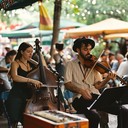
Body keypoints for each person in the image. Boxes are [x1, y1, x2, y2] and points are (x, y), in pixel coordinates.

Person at [64, 37, 128, 128]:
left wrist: (107, 79)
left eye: (90, 49)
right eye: (85, 49)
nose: (89, 52)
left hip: (95, 97)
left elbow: (97, 86)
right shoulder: (70, 64)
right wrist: (81, 90)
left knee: (124, 111)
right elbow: (67, 84)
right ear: (78, 50)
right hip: (79, 99)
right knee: (95, 117)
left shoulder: (93, 64)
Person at [6, 42, 43, 128]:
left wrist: (39, 55)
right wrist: (31, 80)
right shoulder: (15, 63)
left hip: (30, 95)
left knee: (31, 120)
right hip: (17, 94)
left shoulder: (31, 64)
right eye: (28, 51)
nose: (31, 54)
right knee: (15, 118)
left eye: (32, 52)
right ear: (21, 52)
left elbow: (43, 67)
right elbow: (15, 77)